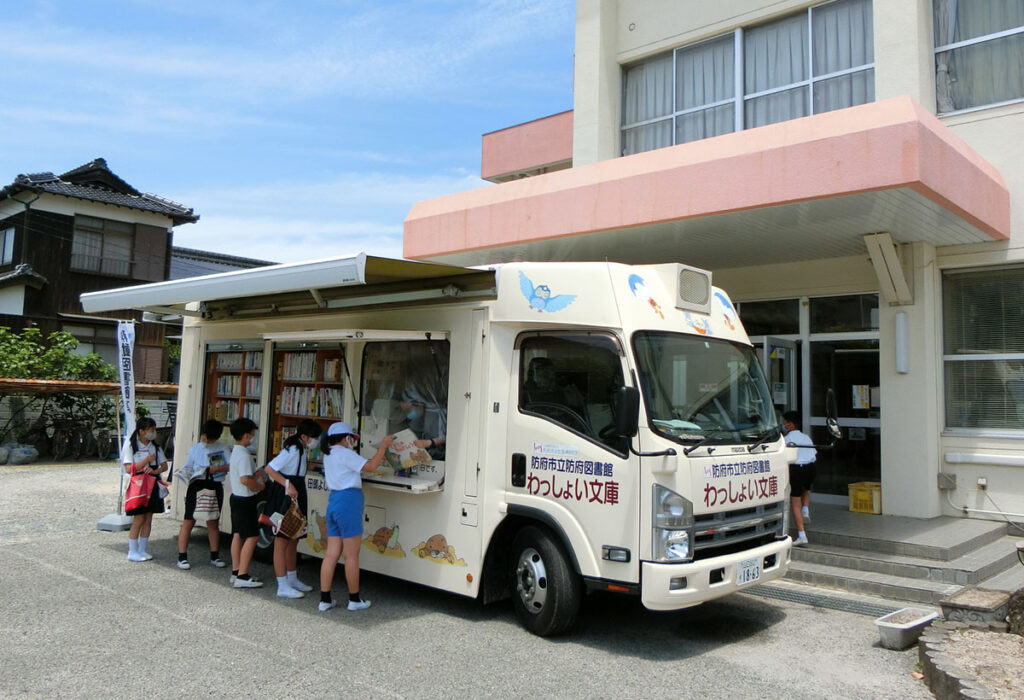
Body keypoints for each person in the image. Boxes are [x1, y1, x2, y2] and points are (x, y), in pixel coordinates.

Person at [318, 422, 395, 612]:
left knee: (331, 554)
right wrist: (384, 446)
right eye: (351, 437)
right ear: (346, 438)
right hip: (349, 503)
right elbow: (370, 466)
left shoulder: (328, 454)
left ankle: (325, 600)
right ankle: (354, 599)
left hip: (334, 502)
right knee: (351, 555)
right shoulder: (345, 453)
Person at [265, 418, 322, 599]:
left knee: (294, 537)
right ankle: (282, 584)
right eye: (314, 438)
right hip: (286, 495)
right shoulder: (293, 449)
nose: (316, 441)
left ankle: (292, 578)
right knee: (282, 539)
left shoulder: (302, 448)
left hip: (297, 491)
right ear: (304, 436)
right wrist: (287, 484)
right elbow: (270, 468)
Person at [175, 419, 230, 570]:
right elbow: (187, 467)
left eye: (210, 438)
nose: (207, 440)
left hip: (215, 484)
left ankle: (215, 555)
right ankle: (182, 557)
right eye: (206, 436)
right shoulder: (195, 449)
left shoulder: (223, 448)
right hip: (197, 484)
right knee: (189, 520)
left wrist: (216, 469)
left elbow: (230, 465)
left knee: (213, 521)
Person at [122, 416, 169, 562]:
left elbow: (164, 465)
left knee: (149, 517)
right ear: (141, 431)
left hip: (153, 481)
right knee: (139, 517)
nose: (153, 432)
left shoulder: (155, 446)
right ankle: (132, 550)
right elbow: (129, 468)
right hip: (139, 483)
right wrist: (145, 461)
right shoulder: (131, 445)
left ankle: (142, 549)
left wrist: (156, 471)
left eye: (154, 429)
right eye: (151, 429)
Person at [228, 417, 265, 588]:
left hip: (236, 497)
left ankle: (236, 572)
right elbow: (245, 479)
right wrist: (258, 486)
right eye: (251, 434)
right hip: (246, 499)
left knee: (237, 534)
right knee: (252, 536)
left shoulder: (236, 451)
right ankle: (243, 575)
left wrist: (255, 474)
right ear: (245, 435)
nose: (253, 437)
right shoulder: (243, 455)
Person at [783, 410, 817, 547]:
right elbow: (814, 453)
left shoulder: (786, 439)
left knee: (794, 503)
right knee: (806, 489)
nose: (783, 425)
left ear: (790, 424)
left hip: (796, 469)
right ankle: (806, 510)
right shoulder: (806, 437)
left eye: (784, 423)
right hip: (811, 468)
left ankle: (802, 535)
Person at [398, 387, 446, 460]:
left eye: (409, 410)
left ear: (419, 404)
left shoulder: (436, 413)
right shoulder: (417, 419)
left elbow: (447, 437)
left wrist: (429, 443)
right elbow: (413, 436)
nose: (409, 414)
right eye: (407, 411)